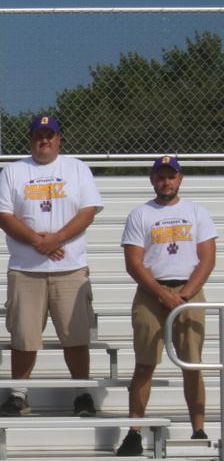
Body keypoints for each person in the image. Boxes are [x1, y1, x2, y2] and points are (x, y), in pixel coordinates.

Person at [0, 114, 103, 417]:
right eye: (39, 135)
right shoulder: (14, 172)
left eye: (50, 135)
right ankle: (18, 394)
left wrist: (57, 239)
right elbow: (4, 215)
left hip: (70, 268)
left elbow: (88, 211)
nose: (44, 140)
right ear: (31, 139)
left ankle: (81, 393)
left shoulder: (76, 168)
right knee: (24, 337)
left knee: (75, 336)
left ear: (58, 138)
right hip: (26, 269)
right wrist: (37, 242)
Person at [115, 156, 216, 456]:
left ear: (180, 179)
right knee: (145, 364)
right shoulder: (140, 214)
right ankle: (134, 431)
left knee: (192, 363)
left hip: (189, 291)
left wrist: (185, 294)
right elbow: (134, 262)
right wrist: (161, 293)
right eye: (161, 176)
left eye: (171, 176)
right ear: (152, 179)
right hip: (151, 292)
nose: (166, 182)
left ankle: (198, 429)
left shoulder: (197, 212)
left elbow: (207, 259)